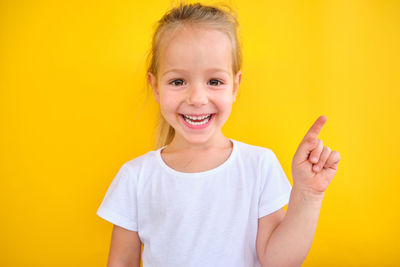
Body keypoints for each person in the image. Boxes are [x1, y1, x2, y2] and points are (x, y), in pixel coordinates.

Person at [96, 2, 341, 267]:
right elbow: (121, 261)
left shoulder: (258, 166)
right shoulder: (136, 177)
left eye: (214, 81)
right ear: (155, 87)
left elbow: (279, 262)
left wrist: (308, 195)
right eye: (178, 81)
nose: (198, 99)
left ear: (235, 86)